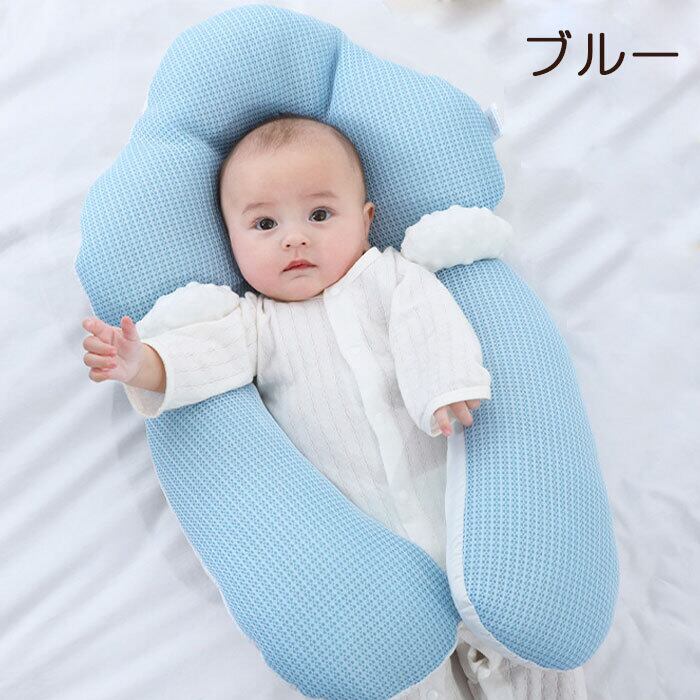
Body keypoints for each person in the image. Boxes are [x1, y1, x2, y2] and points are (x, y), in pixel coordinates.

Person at [82, 114, 494, 699]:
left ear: (366, 220)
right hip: (371, 546)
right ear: (231, 241)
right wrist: (140, 363)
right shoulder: (255, 324)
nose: (294, 239)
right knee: (411, 677)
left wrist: (444, 385)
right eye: (265, 224)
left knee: (518, 649)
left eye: (319, 215)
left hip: (452, 507)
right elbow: (202, 359)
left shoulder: (390, 278)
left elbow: (429, 323)